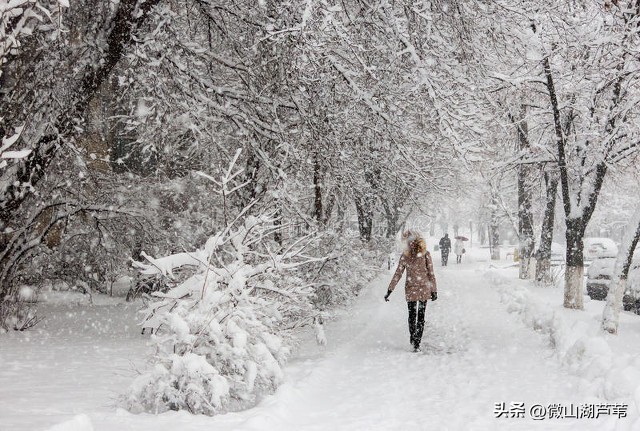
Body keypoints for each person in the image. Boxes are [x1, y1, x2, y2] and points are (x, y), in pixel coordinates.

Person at [384, 231, 438, 352]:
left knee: (418, 316)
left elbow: (431, 273)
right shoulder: (407, 256)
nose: (410, 244)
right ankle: (414, 340)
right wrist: (390, 289)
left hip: (421, 288)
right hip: (414, 288)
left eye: (411, 241)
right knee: (415, 316)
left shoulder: (424, 254)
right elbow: (398, 273)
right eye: (408, 242)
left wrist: (434, 290)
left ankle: (416, 341)